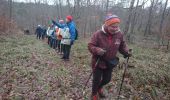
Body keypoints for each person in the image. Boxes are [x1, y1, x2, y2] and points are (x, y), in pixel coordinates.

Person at [88, 14, 132, 100]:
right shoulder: (98, 34)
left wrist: (126, 52)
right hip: (98, 61)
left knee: (107, 79)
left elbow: (122, 46)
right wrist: (97, 50)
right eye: (112, 26)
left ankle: (99, 88)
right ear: (107, 25)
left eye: (116, 27)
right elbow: (90, 46)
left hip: (110, 62)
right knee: (96, 80)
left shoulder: (119, 34)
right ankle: (94, 94)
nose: (115, 29)